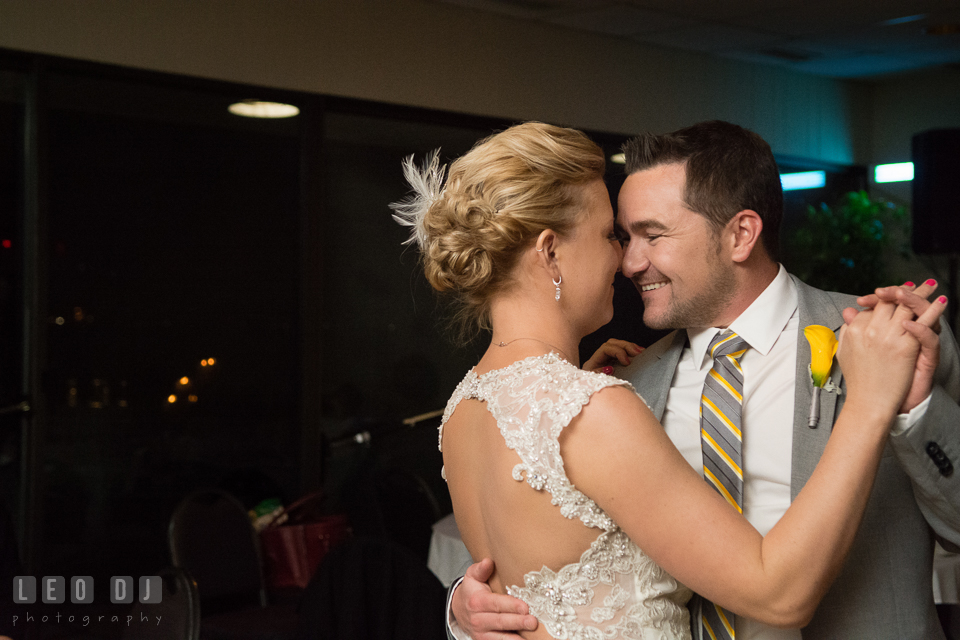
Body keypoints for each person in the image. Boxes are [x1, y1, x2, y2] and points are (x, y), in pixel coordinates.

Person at [392, 121, 950, 640]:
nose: (629, 261)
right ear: (549, 251)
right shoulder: (608, 391)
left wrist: (907, 405)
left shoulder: (888, 339)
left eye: (648, 234)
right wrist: (466, 606)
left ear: (740, 235)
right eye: (616, 235)